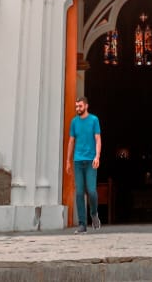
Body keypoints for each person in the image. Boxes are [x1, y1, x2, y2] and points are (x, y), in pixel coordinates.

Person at [65, 96, 102, 232]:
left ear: (86, 106)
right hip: (78, 161)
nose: (77, 109)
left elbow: (98, 139)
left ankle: (94, 214)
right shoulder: (74, 122)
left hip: (91, 160)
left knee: (91, 191)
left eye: (80, 106)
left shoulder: (94, 120)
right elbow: (71, 141)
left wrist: (97, 156)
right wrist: (68, 161)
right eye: (76, 106)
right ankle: (82, 224)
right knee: (79, 192)